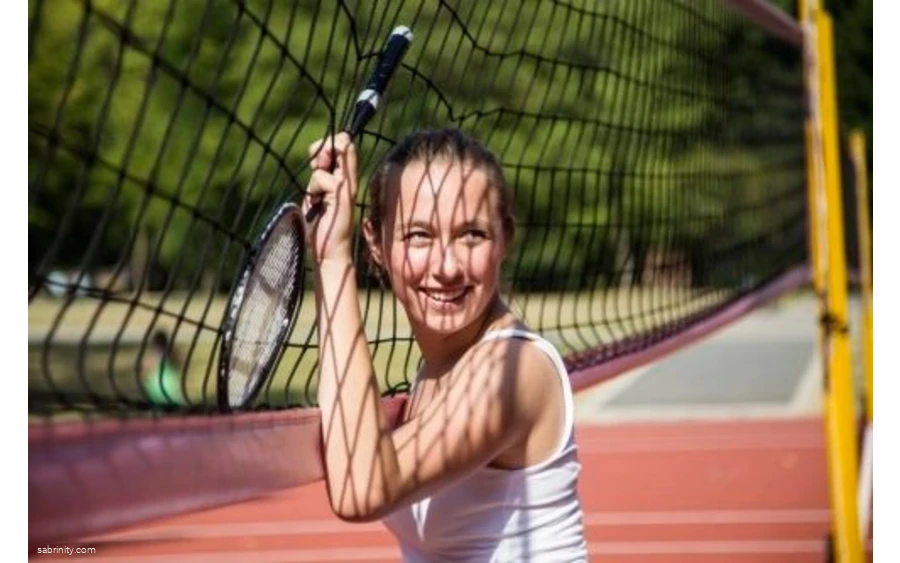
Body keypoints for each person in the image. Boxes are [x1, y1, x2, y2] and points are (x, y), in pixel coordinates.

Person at [304, 127, 588, 561]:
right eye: (419, 235)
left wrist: (333, 259)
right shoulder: (438, 367)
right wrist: (327, 254)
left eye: (471, 234)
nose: (447, 266)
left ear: (504, 239)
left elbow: (360, 488)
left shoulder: (511, 370)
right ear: (376, 243)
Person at [140, 329, 186, 408]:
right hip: (171, 391)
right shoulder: (174, 354)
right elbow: (181, 365)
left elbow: (145, 372)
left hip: (157, 390)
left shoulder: (154, 356)